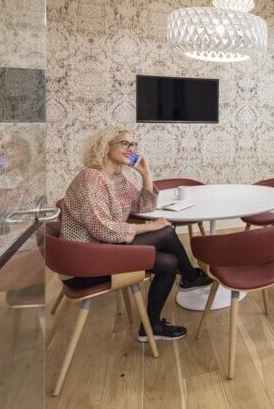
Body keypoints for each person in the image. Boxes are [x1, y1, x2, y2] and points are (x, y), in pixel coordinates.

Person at [60, 127, 212, 341]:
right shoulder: (91, 178)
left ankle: (152, 325)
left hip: (103, 251)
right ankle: (190, 276)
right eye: (124, 143)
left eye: (133, 145)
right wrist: (151, 227)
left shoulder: (116, 178)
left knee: (168, 263)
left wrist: (145, 173)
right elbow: (102, 228)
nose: (130, 148)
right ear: (105, 146)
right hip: (83, 265)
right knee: (166, 231)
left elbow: (145, 206)